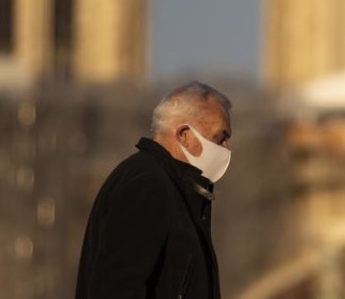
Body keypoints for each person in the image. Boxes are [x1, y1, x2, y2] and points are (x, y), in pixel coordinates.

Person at [75, 81, 233, 299]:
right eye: (220, 137)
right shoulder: (147, 185)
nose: (226, 149)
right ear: (185, 135)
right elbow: (116, 288)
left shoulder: (178, 192)